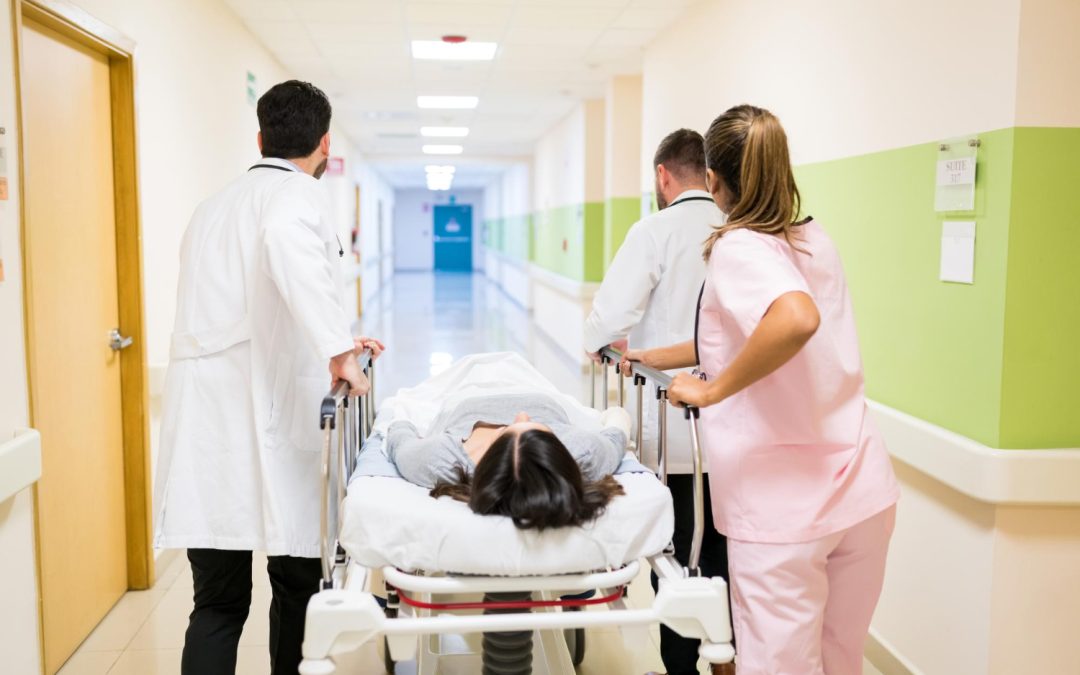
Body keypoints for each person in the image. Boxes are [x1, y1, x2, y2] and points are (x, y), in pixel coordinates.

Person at [623, 105, 900, 675]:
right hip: (862, 489)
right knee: (840, 657)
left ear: (715, 180)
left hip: (783, 510)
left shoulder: (738, 246)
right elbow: (752, 336)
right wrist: (662, 356)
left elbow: (793, 319)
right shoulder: (813, 240)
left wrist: (712, 391)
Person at [154, 80, 384, 675]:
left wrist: (333, 337)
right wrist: (339, 352)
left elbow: (246, 303)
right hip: (269, 414)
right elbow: (286, 251)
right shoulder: (298, 197)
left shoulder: (213, 207)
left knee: (217, 602)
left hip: (209, 424)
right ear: (325, 147)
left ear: (260, 137)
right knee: (295, 581)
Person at [583, 129, 731, 675]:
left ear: (663, 176)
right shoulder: (738, 229)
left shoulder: (654, 231)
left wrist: (597, 340)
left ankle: (679, 664)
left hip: (675, 433)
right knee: (723, 558)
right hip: (736, 429)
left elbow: (607, 320)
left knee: (674, 558)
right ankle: (726, 656)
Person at [386, 392, 631, 530]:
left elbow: (399, 431)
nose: (521, 414)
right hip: (540, 389)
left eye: (505, 430)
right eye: (541, 430)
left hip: (463, 388)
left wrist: (399, 407)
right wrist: (603, 415)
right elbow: (618, 424)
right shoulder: (582, 452)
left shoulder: (439, 459)